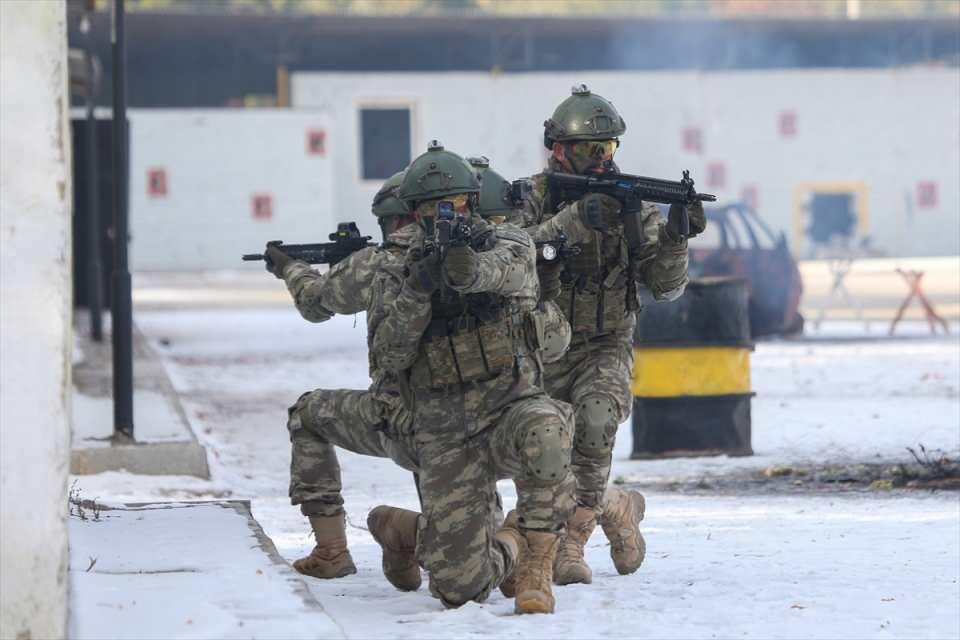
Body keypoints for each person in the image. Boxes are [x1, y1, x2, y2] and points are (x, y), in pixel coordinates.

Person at [272, 144, 577, 614]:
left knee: (549, 428)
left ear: (472, 203)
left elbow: (510, 272)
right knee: (459, 589)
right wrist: (419, 288)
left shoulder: (508, 242)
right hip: (439, 431)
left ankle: (536, 566)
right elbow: (391, 353)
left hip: (506, 415)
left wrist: (468, 271)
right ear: (412, 212)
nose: (443, 215)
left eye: (454, 204)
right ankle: (501, 541)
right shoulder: (391, 263)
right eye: (432, 207)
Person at [519, 84, 706, 586]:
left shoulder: (631, 207)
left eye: (609, 149)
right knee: (544, 457)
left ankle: (572, 545)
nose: (601, 161)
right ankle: (617, 508)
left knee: (597, 425)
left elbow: (665, 287)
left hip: (605, 342)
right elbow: (510, 258)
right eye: (587, 150)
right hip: (538, 347)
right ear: (558, 149)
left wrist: (675, 236)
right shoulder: (530, 197)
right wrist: (570, 222)